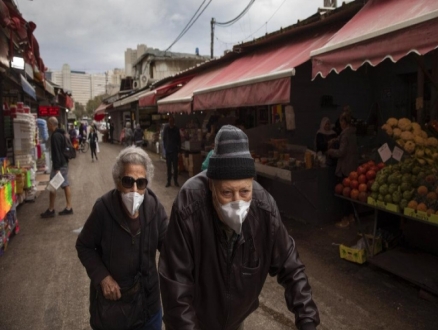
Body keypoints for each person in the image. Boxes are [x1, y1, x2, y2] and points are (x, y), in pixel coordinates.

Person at [159, 125, 320, 330]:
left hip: (235, 321)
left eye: (245, 191)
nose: (237, 202)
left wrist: (307, 320)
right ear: (211, 185)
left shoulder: (264, 208)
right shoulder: (189, 205)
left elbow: (291, 266)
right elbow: (175, 284)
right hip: (194, 320)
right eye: (227, 193)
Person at [76, 146, 169, 330]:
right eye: (128, 181)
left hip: (149, 306)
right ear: (118, 182)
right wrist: (102, 277)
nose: (134, 189)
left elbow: (169, 246)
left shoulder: (154, 207)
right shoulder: (103, 209)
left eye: (141, 183)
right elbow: (84, 246)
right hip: (114, 309)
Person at [327, 110, 358, 228]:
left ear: (344, 121)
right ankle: (351, 217)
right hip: (352, 167)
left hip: (345, 168)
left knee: (344, 195)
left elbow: (341, 152)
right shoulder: (352, 133)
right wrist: (335, 140)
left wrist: (330, 151)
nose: (340, 124)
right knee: (350, 195)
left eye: (341, 121)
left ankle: (345, 219)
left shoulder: (345, 135)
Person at [40, 117, 73, 218]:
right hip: (64, 163)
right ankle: (68, 207)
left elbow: (57, 153)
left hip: (59, 165)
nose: (47, 127)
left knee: (53, 185)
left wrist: (57, 168)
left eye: (48, 124)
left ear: (51, 124)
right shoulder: (62, 133)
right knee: (65, 184)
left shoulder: (55, 136)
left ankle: (51, 209)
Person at [162, 115, 181, 187]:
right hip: (168, 151)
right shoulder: (166, 129)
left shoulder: (176, 129)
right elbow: (164, 139)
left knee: (175, 168)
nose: (171, 123)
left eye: (172, 121)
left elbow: (179, 140)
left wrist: (179, 151)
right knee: (169, 167)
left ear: (174, 122)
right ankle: (168, 181)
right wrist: (165, 148)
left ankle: (175, 181)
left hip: (175, 151)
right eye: (169, 121)